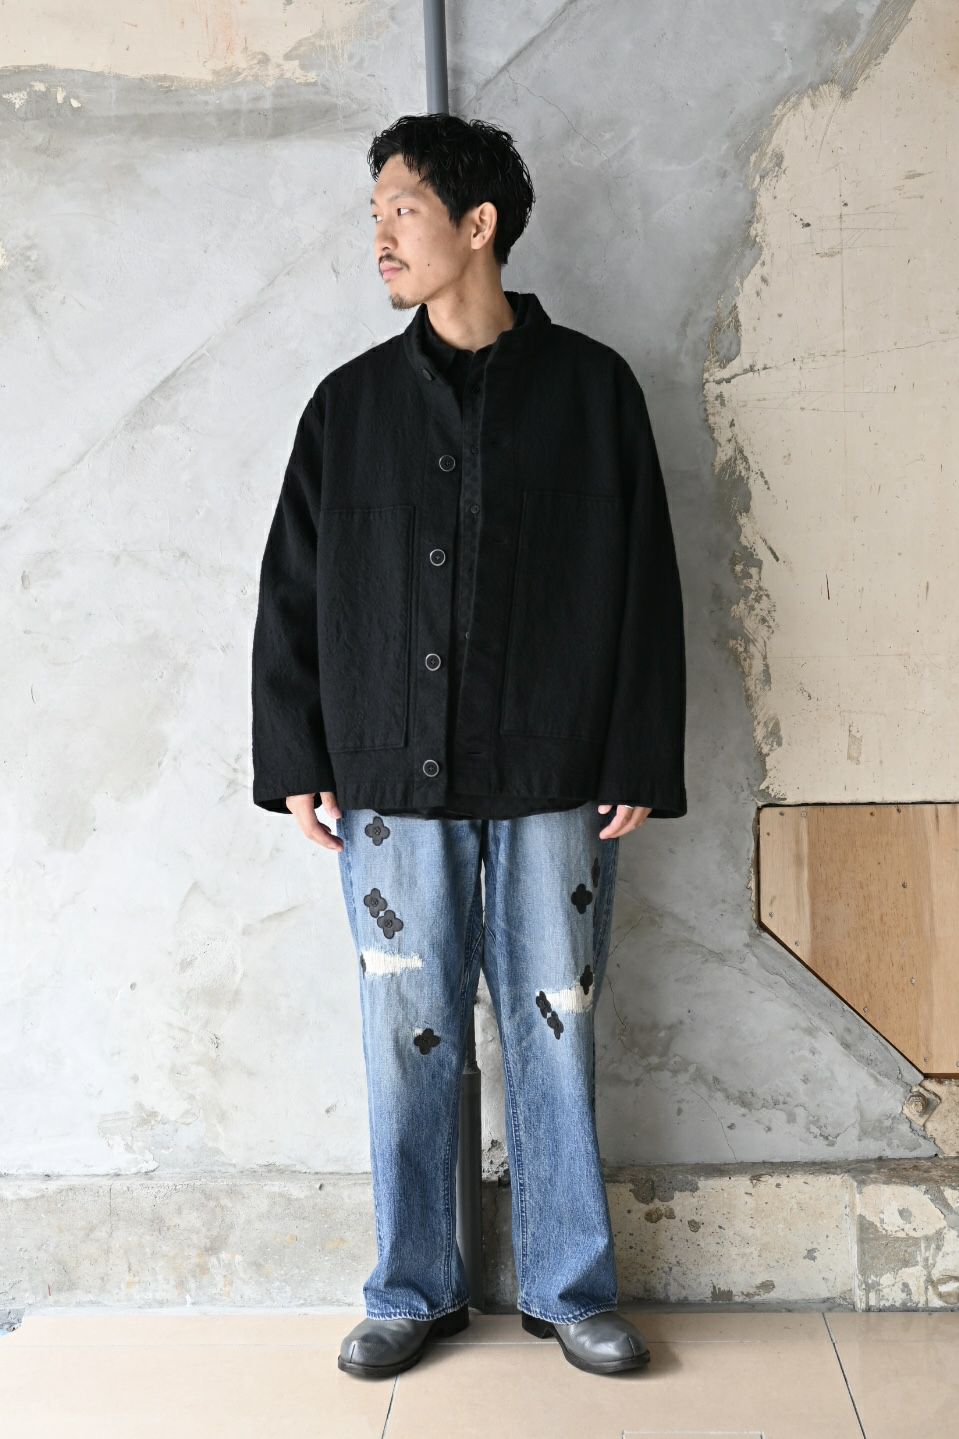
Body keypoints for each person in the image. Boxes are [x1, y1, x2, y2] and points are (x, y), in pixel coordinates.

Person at [251, 113, 687, 1379]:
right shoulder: (347, 406)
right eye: (375, 211)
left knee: (557, 1025)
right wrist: (294, 753)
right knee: (404, 1036)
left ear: (477, 222)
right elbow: (292, 592)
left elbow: (645, 584)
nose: (379, 235)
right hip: (390, 779)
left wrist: (636, 753)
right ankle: (409, 1286)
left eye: (401, 207)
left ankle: (567, 1285)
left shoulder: (594, 391)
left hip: (554, 773)